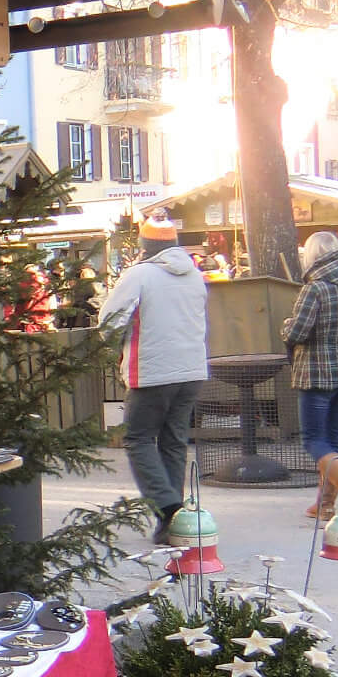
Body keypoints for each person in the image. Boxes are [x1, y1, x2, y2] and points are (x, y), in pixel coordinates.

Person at [98, 213, 210, 541]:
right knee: (174, 442)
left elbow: (110, 320)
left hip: (151, 370)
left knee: (138, 438)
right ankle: (172, 524)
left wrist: (114, 346)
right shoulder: (195, 275)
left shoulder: (140, 275)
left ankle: (168, 507)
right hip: (191, 370)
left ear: (145, 245)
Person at [283, 230, 338, 519]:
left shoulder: (315, 289)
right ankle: (325, 505)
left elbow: (297, 333)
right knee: (334, 439)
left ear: (312, 255)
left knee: (313, 440)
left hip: (316, 374)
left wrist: (286, 325)